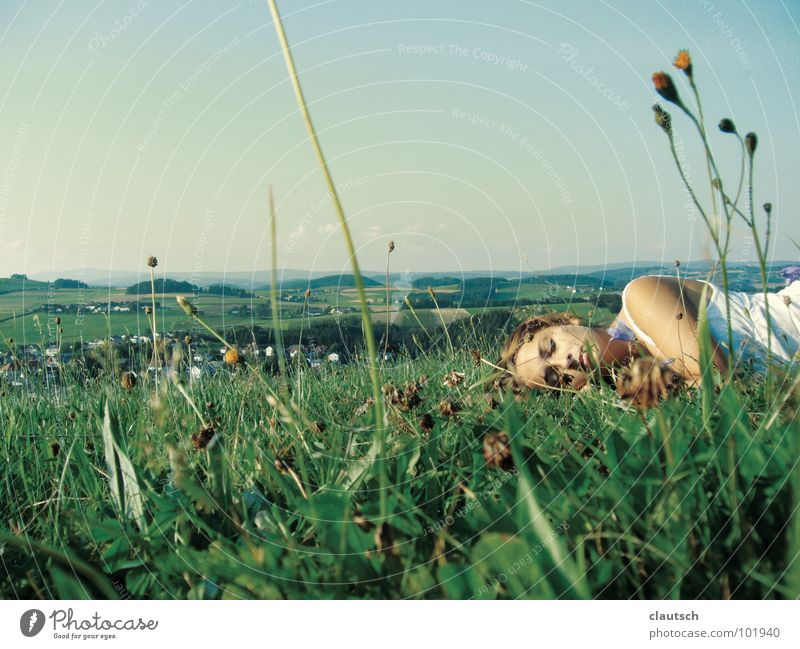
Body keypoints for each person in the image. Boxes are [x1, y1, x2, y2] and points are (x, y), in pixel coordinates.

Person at [493, 271, 800, 395]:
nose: (565, 364)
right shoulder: (637, 386)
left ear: (564, 319)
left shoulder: (640, 297)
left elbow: (718, 379)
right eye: (554, 377)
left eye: (551, 347)